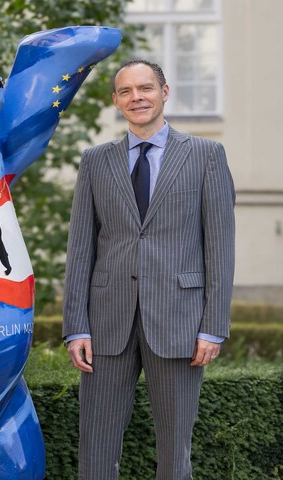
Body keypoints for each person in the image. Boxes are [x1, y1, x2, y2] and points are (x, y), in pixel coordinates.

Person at [62, 59, 235, 479]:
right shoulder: (95, 161)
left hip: (180, 322)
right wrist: (76, 326)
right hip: (106, 323)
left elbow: (220, 247)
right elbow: (81, 247)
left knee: (176, 452)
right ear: (116, 101)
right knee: (96, 447)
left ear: (164, 92)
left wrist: (213, 327)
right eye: (125, 91)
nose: (136, 97)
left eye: (145, 88)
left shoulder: (206, 155)